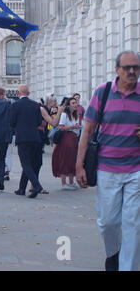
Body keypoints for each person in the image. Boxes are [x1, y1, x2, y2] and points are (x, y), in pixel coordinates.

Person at [76, 51, 140, 271]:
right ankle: (114, 253)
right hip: (107, 168)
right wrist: (79, 166)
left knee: (133, 224)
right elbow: (87, 131)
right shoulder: (102, 93)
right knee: (108, 223)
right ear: (117, 69)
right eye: (127, 67)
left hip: (136, 170)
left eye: (136, 67)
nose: (132, 71)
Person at [10, 85, 44, 199]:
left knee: (25, 163)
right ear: (28, 93)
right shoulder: (35, 105)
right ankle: (21, 188)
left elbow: (12, 122)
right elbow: (39, 121)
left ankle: (37, 185)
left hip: (22, 137)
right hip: (35, 137)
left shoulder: (15, 105)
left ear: (18, 93)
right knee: (29, 163)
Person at [52, 97, 81, 190]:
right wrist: (73, 126)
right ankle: (64, 183)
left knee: (73, 159)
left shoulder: (76, 115)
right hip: (66, 138)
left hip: (74, 138)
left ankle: (71, 182)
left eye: (76, 103)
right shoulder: (64, 115)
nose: (75, 104)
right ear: (68, 105)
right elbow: (61, 127)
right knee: (65, 159)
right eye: (73, 103)